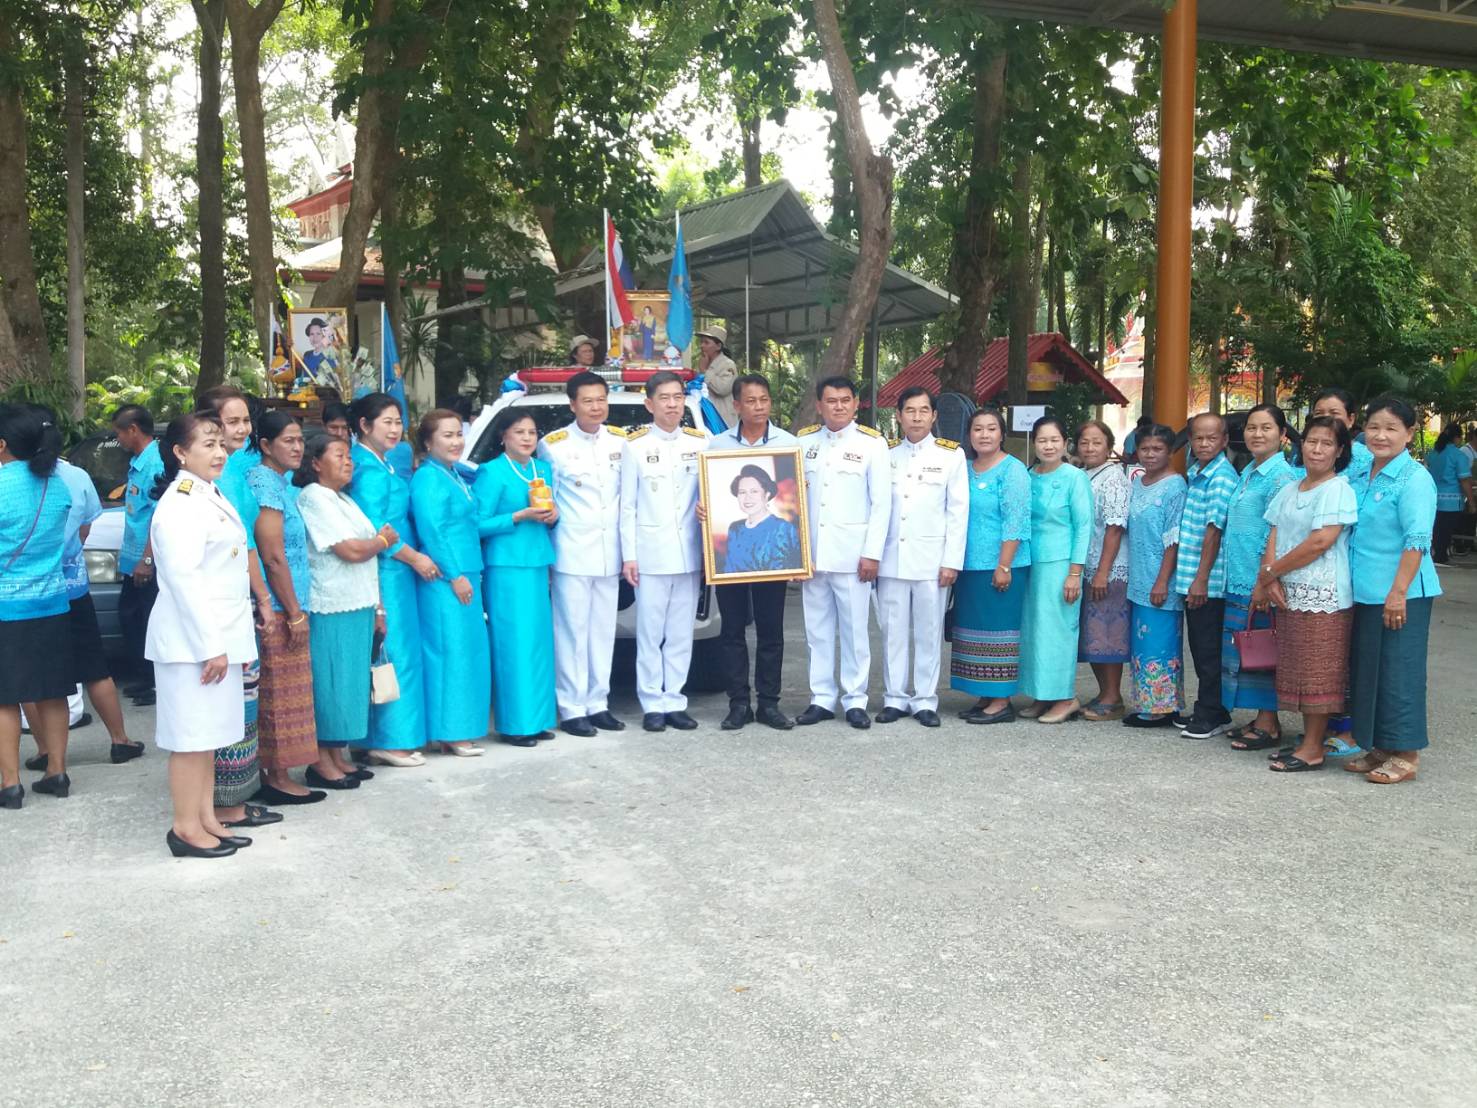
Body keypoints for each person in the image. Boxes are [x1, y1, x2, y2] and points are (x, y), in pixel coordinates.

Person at [145, 411, 268, 856]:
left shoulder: (206, 493)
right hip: (192, 644)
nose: (219, 452)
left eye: (220, 444)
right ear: (180, 452)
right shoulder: (180, 502)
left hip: (218, 639)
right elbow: (183, 580)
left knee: (209, 737)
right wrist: (210, 647)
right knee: (190, 738)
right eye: (208, 445)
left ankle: (206, 818)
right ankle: (184, 829)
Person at [23, 405, 143, 770]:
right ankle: (120, 740)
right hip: (74, 587)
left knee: (32, 675)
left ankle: (47, 753)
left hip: (29, 594)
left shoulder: (13, 479)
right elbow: (87, 528)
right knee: (95, 668)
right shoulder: (76, 477)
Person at [1344, 396, 1442, 785]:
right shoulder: (1361, 471)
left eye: (1391, 428)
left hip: (1403, 593)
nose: (1380, 435)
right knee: (1370, 670)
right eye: (1374, 427)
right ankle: (1380, 746)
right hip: (1364, 589)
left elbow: (1416, 540)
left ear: (1410, 434)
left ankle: (1407, 752)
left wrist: (1398, 592)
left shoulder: (1415, 479)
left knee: (1400, 670)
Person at [1253, 416, 1358, 772]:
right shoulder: (1289, 489)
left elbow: (1320, 541)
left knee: (1319, 672)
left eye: (1327, 443)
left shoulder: (1338, 489)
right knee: (1296, 668)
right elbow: (1273, 534)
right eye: (1311, 441)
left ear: (1340, 450)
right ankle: (1305, 742)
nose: (1317, 449)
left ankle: (1314, 747)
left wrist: (1272, 572)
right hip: (1287, 591)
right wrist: (1269, 579)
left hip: (1323, 594)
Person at [700, 373, 798, 731]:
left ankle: (769, 704)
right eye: (751, 401)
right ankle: (738, 703)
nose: (759, 407)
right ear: (736, 405)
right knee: (732, 632)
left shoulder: (789, 444)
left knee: (772, 631)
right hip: (731, 567)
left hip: (774, 565)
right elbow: (707, 497)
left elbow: (801, 503)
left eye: (764, 400)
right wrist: (704, 510)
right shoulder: (717, 446)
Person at [196, 386, 274, 824]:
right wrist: (261, 597)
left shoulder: (236, 470)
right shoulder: (206, 483)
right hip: (224, 602)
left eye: (246, 421)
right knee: (227, 706)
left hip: (242, 596)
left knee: (244, 703)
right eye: (232, 423)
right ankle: (225, 806)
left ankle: (235, 801)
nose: (242, 430)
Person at [795, 377, 891, 729]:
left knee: (854, 631)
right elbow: (791, 502)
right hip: (812, 556)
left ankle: (855, 699)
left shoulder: (872, 444)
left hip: (853, 556)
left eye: (845, 400)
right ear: (819, 405)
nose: (838, 406)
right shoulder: (803, 443)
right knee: (816, 631)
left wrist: (872, 554)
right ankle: (821, 698)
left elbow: (881, 504)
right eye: (831, 401)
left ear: (855, 404)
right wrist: (794, 552)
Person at [347, 392, 435, 765]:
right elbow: (375, 529)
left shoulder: (383, 463)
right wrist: (414, 557)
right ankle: (390, 739)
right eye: (387, 421)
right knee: (394, 653)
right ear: (364, 427)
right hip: (386, 569)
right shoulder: (366, 470)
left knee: (394, 651)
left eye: (398, 421)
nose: (395, 429)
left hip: (397, 568)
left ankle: (378, 737)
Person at [538, 371, 627, 737]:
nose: (596, 407)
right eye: (588, 400)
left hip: (610, 553)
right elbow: (548, 500)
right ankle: (572, 707)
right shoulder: (553, 445)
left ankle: (598, 703)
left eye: (601, 399)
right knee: (571, 631)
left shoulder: (622, 442)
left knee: (603, 632)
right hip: (573, 552)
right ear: (573, 404)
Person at [296, 435, 387, 786]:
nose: (348, 461)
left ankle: (337, 755)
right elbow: (349, 550)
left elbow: (366, 552)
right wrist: (381, 542)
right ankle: (320, 762)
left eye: (349, 456)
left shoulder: (343, 498)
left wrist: (380, 608)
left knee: (349, 684)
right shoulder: (313, 497)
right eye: (339, 455)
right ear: (316, 462)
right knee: (331, 682)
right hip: (332, 603)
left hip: (358, 600)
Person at [620, 371, 707, 732]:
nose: (672, 404)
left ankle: (675, 700)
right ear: (649, 404)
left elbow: (715, 493)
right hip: (651, 554)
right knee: (650, 632)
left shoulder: (702, 442)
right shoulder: (635, 446)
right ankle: (652, 702)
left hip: (690, 554)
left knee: (681, 632)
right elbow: (628, 506)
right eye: (665, 398)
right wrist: (629, 555)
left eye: (678, 397)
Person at [875, 387, 967, 729]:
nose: (916, 417)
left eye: (923, 410)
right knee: (892, 632)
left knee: (928, 632)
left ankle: (925, 700)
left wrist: (951, 561)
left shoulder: (950, 456)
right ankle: (895, 697)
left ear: (934, 416)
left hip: (932, 561)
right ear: (898, 416)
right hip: (891, 559)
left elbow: (958, 512)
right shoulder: (884, 455)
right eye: (909, 410)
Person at [246, 413, 325, 803]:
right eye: (288, 441)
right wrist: (292, 611)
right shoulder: (263, 483)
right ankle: (276, 778)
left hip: (290, 601)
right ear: (265, 446)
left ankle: (276, 773)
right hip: (278, 606)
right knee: (279, 694)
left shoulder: (282, 484)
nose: (297, 448)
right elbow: (272, 556)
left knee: (287, 691)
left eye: (299, 440)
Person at [0, 406, 76, 810]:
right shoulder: (57, 486)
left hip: (5, 607)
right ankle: (57, 773)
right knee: (52, 692)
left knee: (5, 698)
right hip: (51, 602)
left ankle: (10, 785)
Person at [474, 409, 559, 747]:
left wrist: (553, 516)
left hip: (537, 562)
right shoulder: (491, 473)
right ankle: (514, 724)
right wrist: (518, 516)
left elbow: (553, 515)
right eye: (519, 432)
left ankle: (537, 719)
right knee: (513, 645)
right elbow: (477, 522)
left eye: (532, 432)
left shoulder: (543, 469)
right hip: (506, 566)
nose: (527, 438)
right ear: (503, 436)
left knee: (538, 644)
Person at [410, 410, 492, 754]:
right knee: (449, 651)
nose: (456, 441)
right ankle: (450, 730)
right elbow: (433, 530)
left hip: (466, 571)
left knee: (466, 651)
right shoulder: (429, 478)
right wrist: (454, 575)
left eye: (459, 434)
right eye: (447, 435)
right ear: (428, 442)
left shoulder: (452, 474)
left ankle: (457, 728)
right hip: (447, 577)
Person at [1220, 404, 1296, 752]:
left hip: (1261, 578)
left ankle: (1269, 722)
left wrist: (1265, 581)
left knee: (1264, 647)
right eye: (1252, 427)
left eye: (1267, 428)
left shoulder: (1282, 477)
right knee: (1249, 647)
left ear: (1283, 435)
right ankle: (1262, 718)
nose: (1257, 434)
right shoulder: (1250, 469)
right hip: (1239, 574)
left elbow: (1277, 534)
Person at [951, 407, 1031, 725]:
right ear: (969, 435)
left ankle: (1001, 701)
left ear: (1002, 434)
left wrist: (1005, 565)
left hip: (1002, 565)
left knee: (999, 632)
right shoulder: (965, 468)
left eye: (991, 429)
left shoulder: (1013, 470)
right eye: (978, 429)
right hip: (968, 564)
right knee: (974, 631)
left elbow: (1016, 521)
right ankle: (985, 695)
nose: (984, 435)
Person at [1018, 416, 1093, 724]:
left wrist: (1075, 572)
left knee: (1059, 631)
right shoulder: (1028, 474)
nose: (1048, 446)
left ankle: (1065, 697)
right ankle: (1041, 694)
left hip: (1061, 563)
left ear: (1065, 443)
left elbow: (1084, 526)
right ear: (1034, 444)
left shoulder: (1075, 477)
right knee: (1034, 631)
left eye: (1054, 440)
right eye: (1042, 440)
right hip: (1030, 563)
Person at [1174, 413, 1238, 739]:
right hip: (1192, 577)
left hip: (1207, 583)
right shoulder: (1198, 472)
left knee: (1208, 650)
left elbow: (1214, 530)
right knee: (1200, 648)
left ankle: (1212, 713)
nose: (1204, 443)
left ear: (1224, 441)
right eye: (1198, 437)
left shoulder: (1221, 477)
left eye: (1212, 438)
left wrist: (1201, 579)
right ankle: (1209, 707)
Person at [1123, 425, 1187, 728]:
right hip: (1138, 577)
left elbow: (1174, 539)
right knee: (1143, 643)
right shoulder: (1138, 483)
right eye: (1144, 448)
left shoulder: (1175, 486)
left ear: (1170, 451)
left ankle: (1163, 707)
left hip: (1161, 579)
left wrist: (1163, 580)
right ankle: (1147, 703)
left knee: (1160, 643)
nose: (1149, 454)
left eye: (1157, 449)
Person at [1076, 420, 1131, 721]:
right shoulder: (1085, 475)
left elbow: (1114, 527)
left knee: (1109, 634)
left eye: (1097, 442)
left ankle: (1113, 697)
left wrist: (1103, 572)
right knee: (1095, 635)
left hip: (1109, 568)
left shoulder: (1113, 478)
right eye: (1085, 442)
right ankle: (1104, 693)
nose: (1090, 448)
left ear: (1109, 446)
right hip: (1089, 565)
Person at [112, 404, 163, 706]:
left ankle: (155, 683)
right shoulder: (138, 462)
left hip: (147, 561)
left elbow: (158, 517)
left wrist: (147, 560)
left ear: (133, 430)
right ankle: (145, 678)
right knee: (132, 619)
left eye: (119, 431)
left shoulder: (155, 465)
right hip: (133, 561)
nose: (118, 438)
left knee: (147, 620)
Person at [721, 466, 803, 573]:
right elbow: (729, 570)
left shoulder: (782, 528)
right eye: (742, 492)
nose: (747, 498)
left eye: (754, 491)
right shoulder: (735, 528)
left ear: (767, 495)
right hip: (735, 589)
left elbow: (787, 571)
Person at [1425, 422, 1474, 564]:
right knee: (1446, 531)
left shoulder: (1433, 454)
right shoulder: (1458, 456)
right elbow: (1464, 480)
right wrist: (1471, 502)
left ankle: (1436, 556)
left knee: (1436, 529)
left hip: (1433, 499)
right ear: (1457, 438)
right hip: (1451, 502)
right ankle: (1441, 557)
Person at [1304, 387, 1373, 481]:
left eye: (1334, 413)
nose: (1326, 419)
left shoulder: (1368, 459)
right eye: (1319, 413)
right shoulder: (1305, 453)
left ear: (1351, 419)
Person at [696, 326, 738, 428]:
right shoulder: (704, 363)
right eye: (701, 342)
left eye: (706, 343)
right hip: (706, 419)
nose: (702, 346)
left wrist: (704, 372)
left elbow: (722, 389)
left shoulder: (727, 364)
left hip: (723, 421)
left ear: (718, 346)